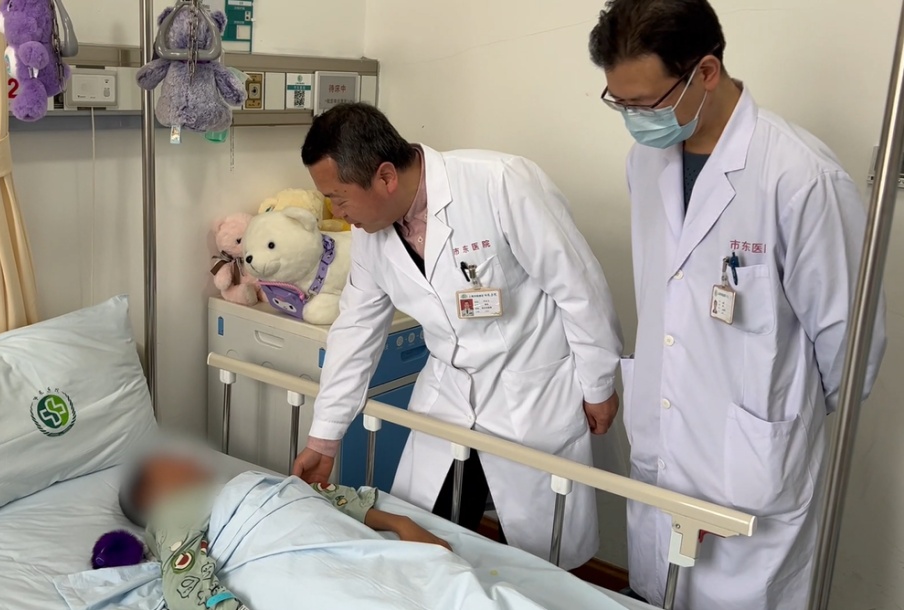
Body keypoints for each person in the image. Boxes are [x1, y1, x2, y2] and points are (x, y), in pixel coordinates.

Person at [588, 1, 887, 608]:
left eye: (646, 103)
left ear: (705, 72)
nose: (636, 120)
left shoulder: (799, 175)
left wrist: (775, 420)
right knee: (658, 590)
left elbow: (851, 347)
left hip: (751, 468)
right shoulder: (645, 162)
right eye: (621, 104)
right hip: (663, 445)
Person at [290, 103, 624, 568]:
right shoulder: (371, 231)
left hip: (530, 394)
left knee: (538, 561)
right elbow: (356, 329)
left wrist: (598, 384)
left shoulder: (500, 183)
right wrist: (324, 438)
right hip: (448, 398)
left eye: (339, 198)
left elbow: (579, 288)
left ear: (385, 177)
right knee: (428, 540)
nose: (338, 213)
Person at [119, 451, 450, 610]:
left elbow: (319, 497)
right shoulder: (171, 513)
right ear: (151, 492)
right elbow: (184, 585)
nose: (187, 460)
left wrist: (401, 524)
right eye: (169, 463)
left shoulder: (238, 485)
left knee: (434, 583)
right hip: (294, 556)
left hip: (332, 535)